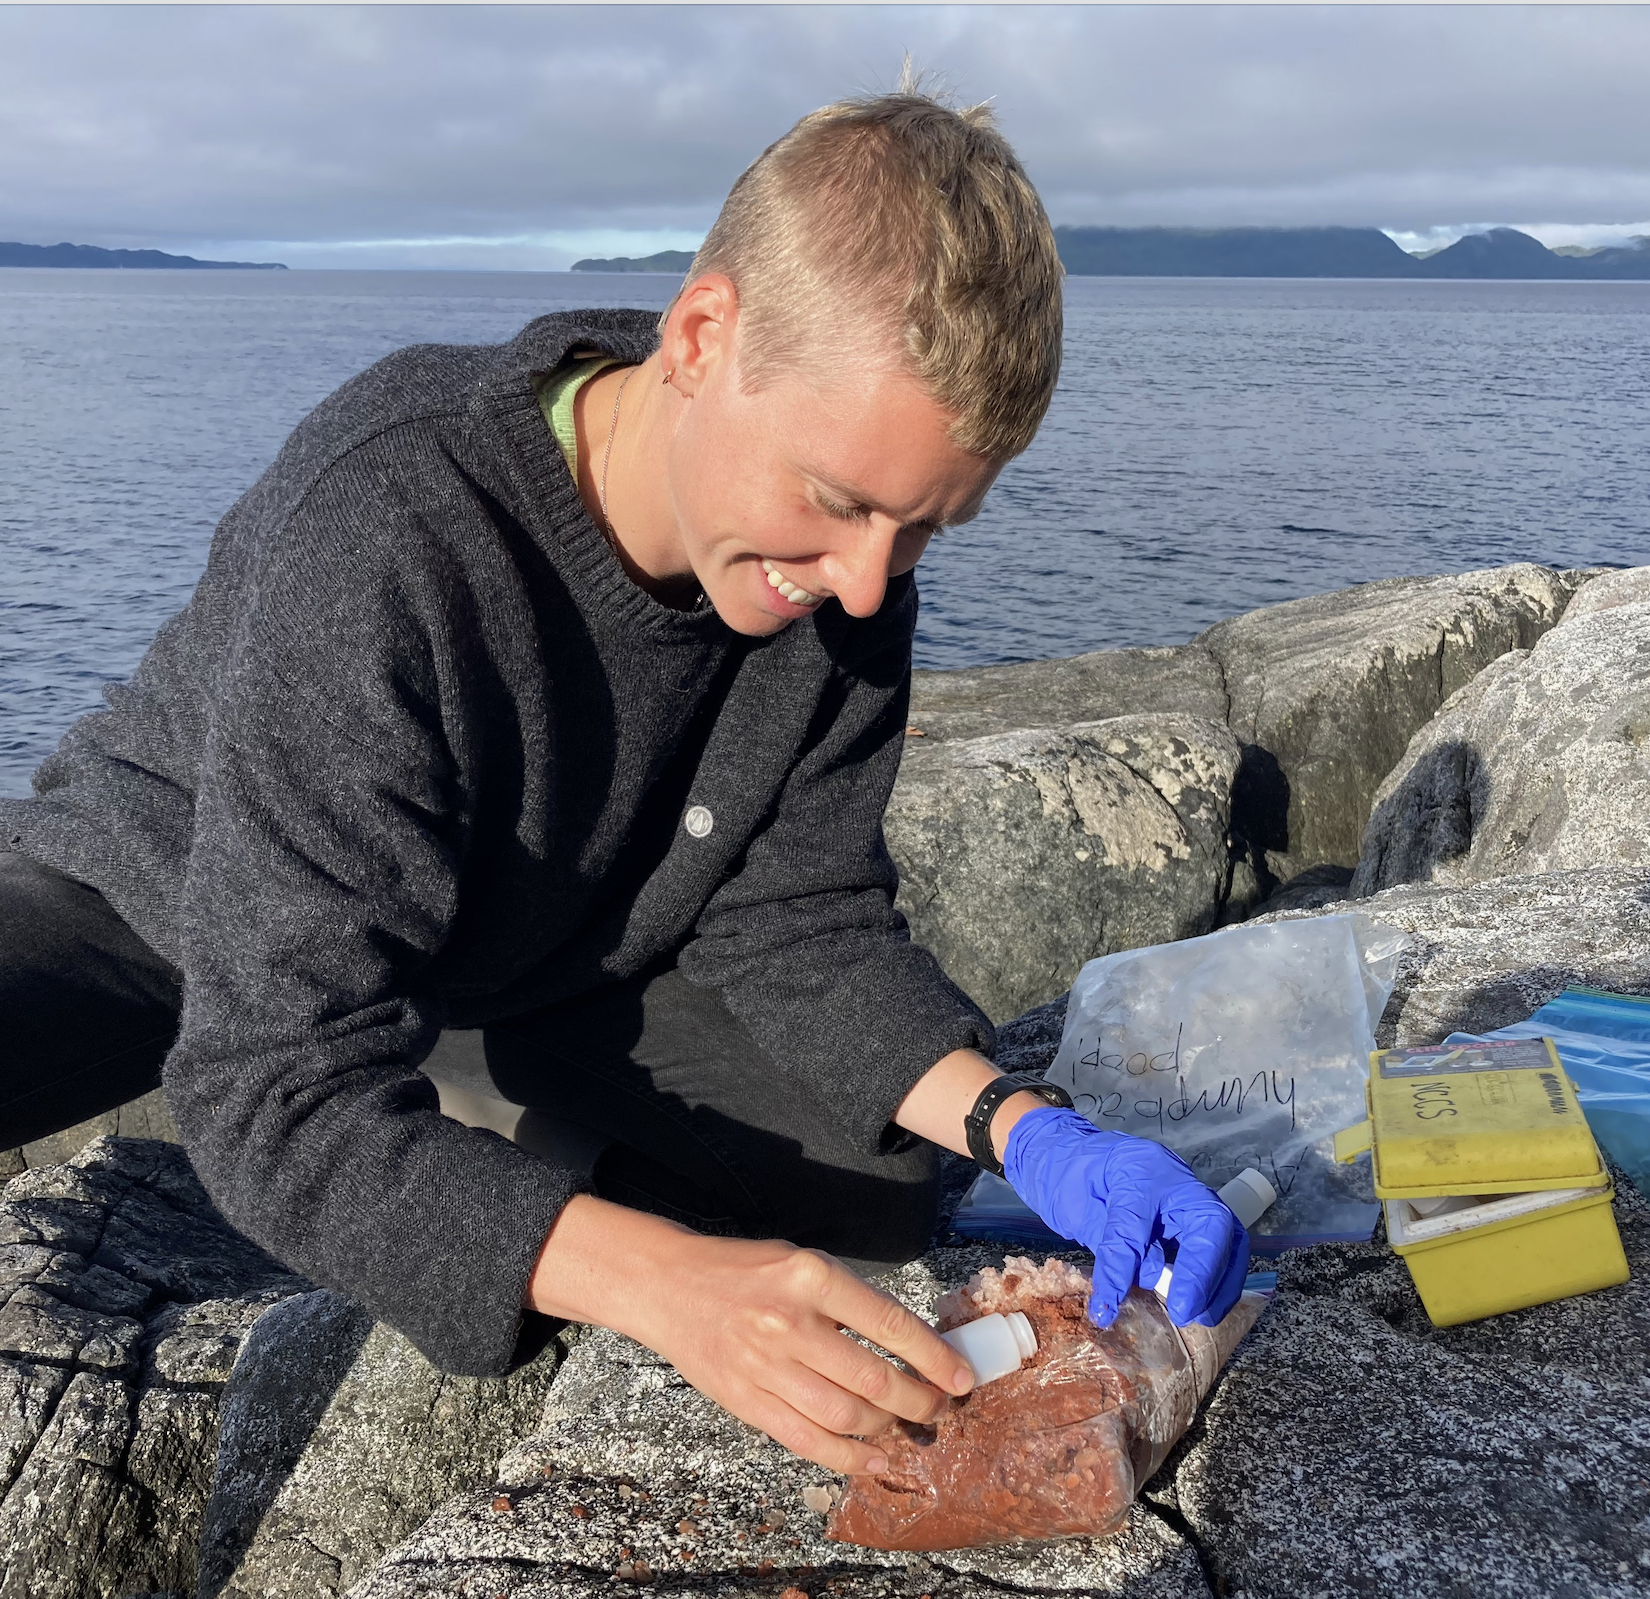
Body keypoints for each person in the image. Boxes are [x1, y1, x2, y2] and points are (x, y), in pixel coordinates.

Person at [0, 86, 1247, 1477]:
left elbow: (799, 916)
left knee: (879, 1185)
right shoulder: (395, 525)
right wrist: (666, 1287)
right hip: (182, 891)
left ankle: (490, 1112)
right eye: (837, 500)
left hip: (551, 948)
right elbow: (268, 1085)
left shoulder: (847, 572)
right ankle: (494, 1159)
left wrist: (1031, 1132)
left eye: (925, 527)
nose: (865, 581)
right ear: (703, 338)